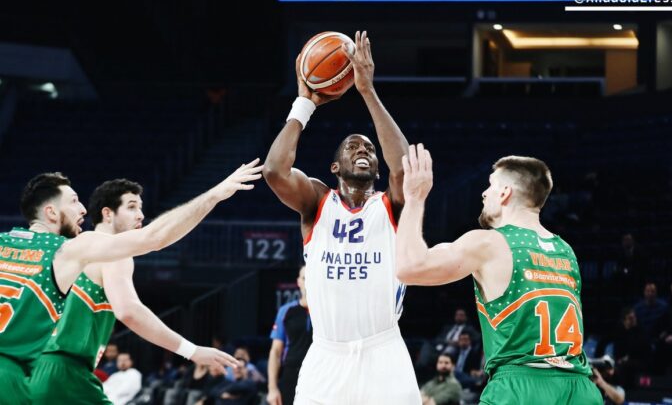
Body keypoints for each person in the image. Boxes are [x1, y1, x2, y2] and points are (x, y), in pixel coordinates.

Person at [0, 161, 262, 405]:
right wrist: (214, 195)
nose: (82, 209)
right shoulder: (78, 250)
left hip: (31, 372)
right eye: (132, 207)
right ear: (51, 212)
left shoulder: (8, 243)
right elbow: (132, 301)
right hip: (57, 372)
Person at [263, 31, 419, 404]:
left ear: (377, 167)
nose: (363, 150)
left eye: (369, 148)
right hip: (326, 354)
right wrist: (304, 104)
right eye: (353, 146)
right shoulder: (318, 201)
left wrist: (367, 91)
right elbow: (274, 171)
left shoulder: (392, 205)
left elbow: (403, 168)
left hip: (384, 350)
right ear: (335, 167)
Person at [395, 146, 602, 405]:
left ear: (505, 193)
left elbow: (409, 268)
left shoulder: (489, 243)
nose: (484, 193)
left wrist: (415, 199)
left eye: (490, 185)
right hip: (580, 389)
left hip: (520, 388)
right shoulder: (565, 250)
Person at [267, 266, 312, 405]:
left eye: (311, 278)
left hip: (319, 374)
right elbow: (275, 351)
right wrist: (272, 388)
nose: (308, 282)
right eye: (304, 278)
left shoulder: (327, 311)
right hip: (291, 374)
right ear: (299, 281)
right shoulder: (286, 311)